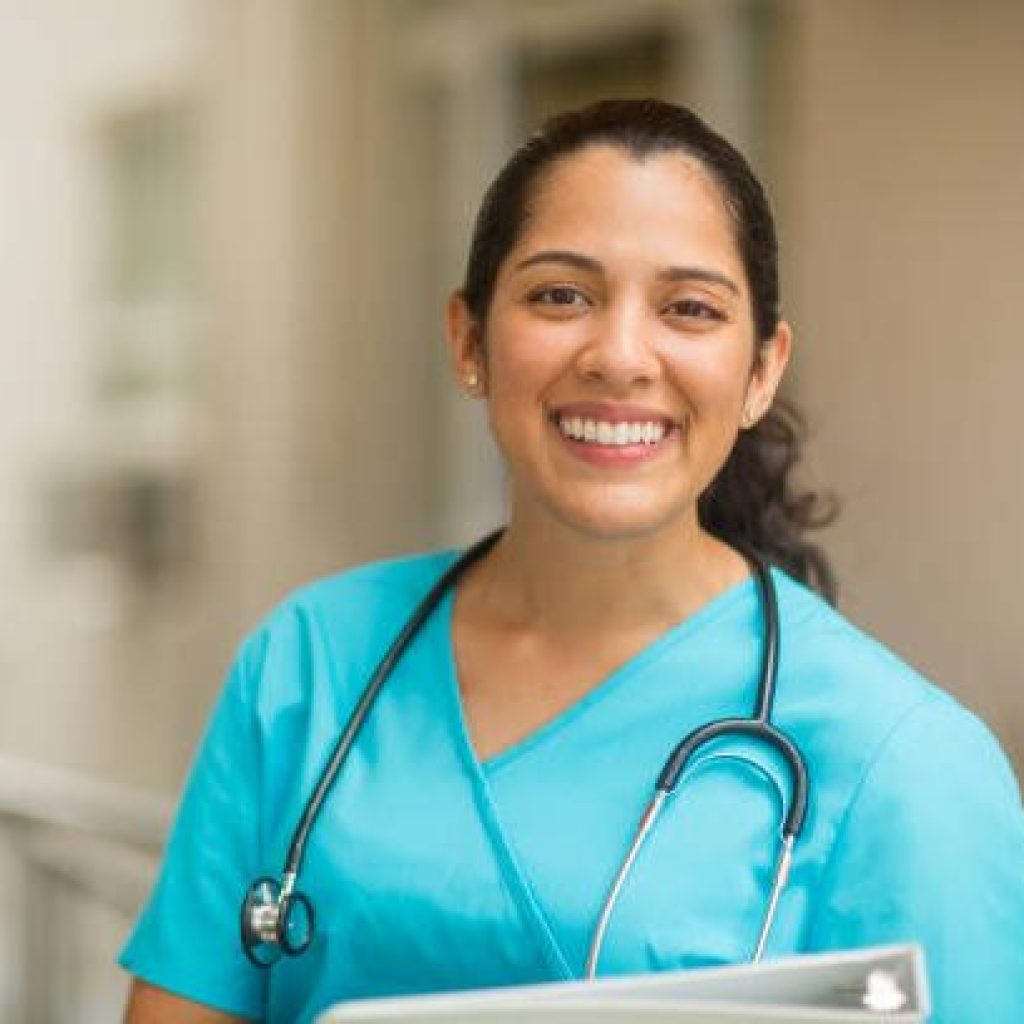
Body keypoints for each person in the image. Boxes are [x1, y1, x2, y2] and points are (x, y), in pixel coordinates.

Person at [120, 99, 1024, 1023]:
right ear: (469, 341)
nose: (620, 356)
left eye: (689, 309)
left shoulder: (906, 766)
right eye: (562, 295)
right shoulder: (310, 666)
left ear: (761, 372)